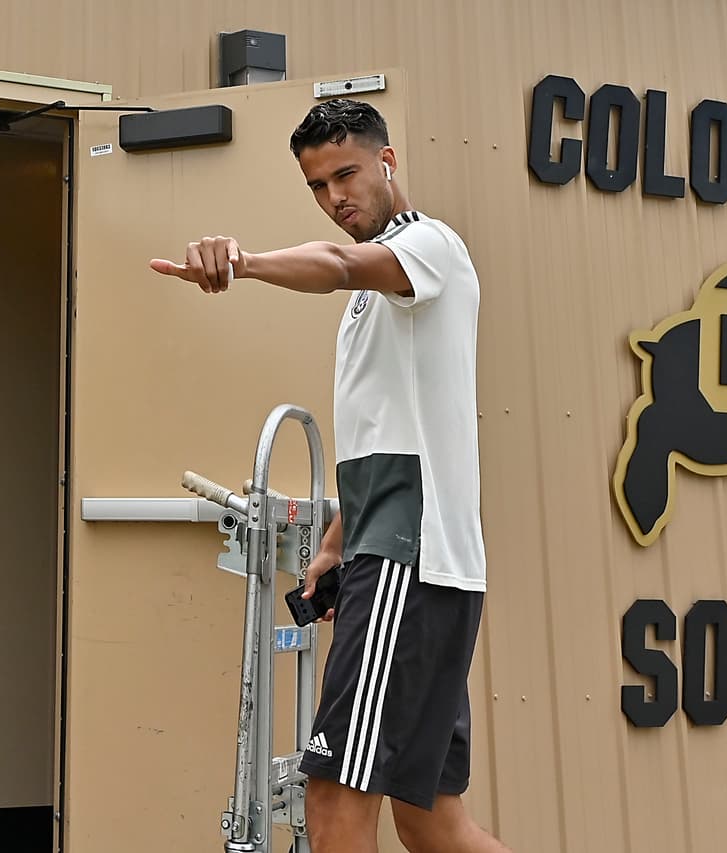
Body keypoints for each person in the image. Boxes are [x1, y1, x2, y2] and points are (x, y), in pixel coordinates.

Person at [151, 99, 510, 853]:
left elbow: (340, 261)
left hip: (409, 567)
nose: (335, 196)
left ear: (388, 161)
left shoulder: (428, 248)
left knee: (335, 795)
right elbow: (389, 440)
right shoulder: (373, 303)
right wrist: (335, 544)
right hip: (408, 563)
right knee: (432, 821)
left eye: (346, 173)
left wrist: (242, 262)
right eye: (317, 185)